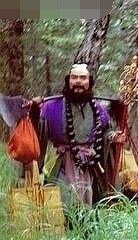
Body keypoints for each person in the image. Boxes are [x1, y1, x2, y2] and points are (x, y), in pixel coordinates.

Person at [33, 63, 125, 205]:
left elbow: (105, 133)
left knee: (91, 204)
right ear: (68, 81)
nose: (78, 81)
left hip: (89, 166)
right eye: (74, 77)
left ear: (89, 82)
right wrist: (33, 112)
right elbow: (37, 133)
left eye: (83, 78)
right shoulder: (51, 107)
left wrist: (114, 137)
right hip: (61, 163)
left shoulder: (98, 109)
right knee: (61, 203)